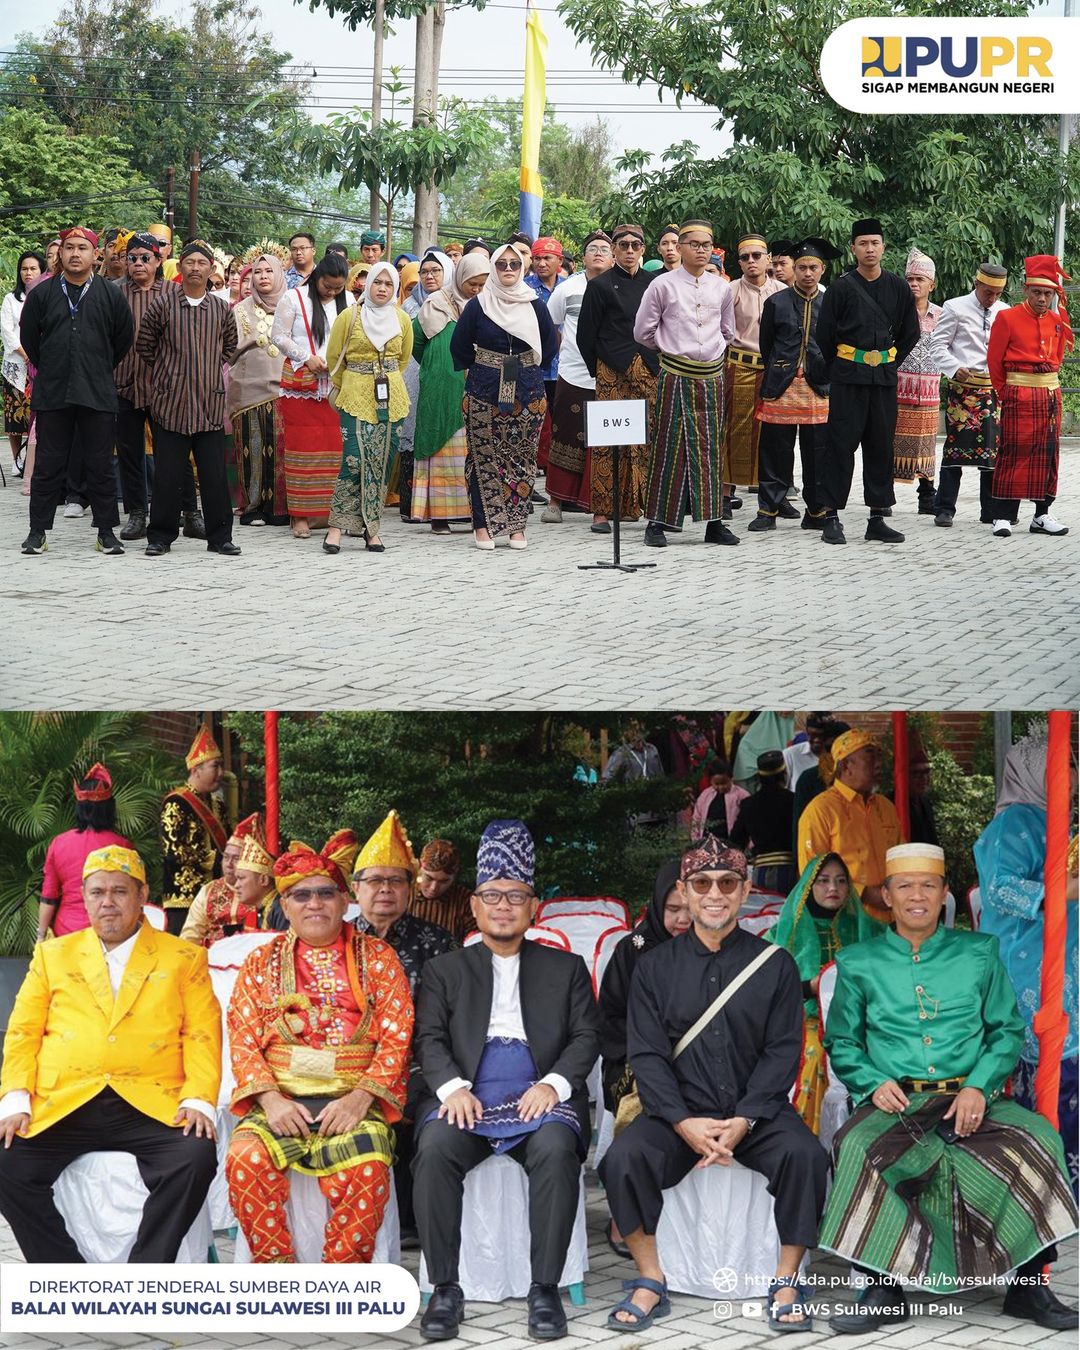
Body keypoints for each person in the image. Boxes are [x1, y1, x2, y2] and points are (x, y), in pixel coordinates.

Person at [822, 844, 1078, 1334]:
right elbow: (842, 1041)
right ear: (888, 897)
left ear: (944, 894)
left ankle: (1028, 1287)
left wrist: (980, 1087)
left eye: (928, 886)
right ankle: (882, 1288)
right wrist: (873, 1083)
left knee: (1038, 1139)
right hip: (898, 1101)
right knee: (856, 1146)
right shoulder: (859, 961)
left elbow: (1005, 1030)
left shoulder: (978, 952)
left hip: (971, 1097)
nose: (917, 896)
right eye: (904, 886)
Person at [599, 835, 829, 1332]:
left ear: (745, 891)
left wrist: (746, 1118)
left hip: (755, 1111)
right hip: (678, 1112)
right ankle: (650, 1278)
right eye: (701, 883)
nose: (714, 893)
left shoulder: (775, 965)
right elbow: (647, 1053)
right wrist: (683, 1122)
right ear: (685, 889)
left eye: (727, 882)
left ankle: (786, 1279)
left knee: (806, 1156)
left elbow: (782, 1051)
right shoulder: (654, 967)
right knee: (622, 1159)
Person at [412, 819, 600, 1342]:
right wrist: (452, 1088)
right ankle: (447, 1289)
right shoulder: (446, 969)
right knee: (434, 1149)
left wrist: (555, 1084)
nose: (503, 905)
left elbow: (587, 1036)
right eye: (492, 894)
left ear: (532, 906)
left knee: (558, 1148)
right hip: (468, 1091)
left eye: (515, 895)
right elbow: (428, 1040)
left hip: (539, 1091)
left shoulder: (566, 967)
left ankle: (545, 1289)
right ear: (474, 905)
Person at [0, 845, 221, 1263]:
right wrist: (15, 1098)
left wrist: (197, 1099)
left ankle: (143, 1275)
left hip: (150, 1100)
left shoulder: (184, 958)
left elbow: (201, 1033)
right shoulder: (52, 955)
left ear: (142, 896)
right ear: (83, 899)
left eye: (119, 891)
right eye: (97, 892)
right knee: (6, 1162)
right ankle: (64, 1275)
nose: (107, 903)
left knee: (194, 1157)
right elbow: (24, 1031)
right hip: (66, 1100)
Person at [224, 834, 414, 1263]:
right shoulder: (260, 962)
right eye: (300, 895)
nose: (314, 904)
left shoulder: (379, 957)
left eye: (325, 893)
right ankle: (279, 1278)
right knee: (245, 1158)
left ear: (344, 899)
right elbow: (242, 1036)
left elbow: (398, 1035)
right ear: (284, 904)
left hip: (352, 1100)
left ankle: (340, 1283)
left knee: (367, 1166)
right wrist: (270, 1100)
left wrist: (360, 1098)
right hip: (280, 1102)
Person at [973, 729, 1078, 1194]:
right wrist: (1066, 891)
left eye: (1072, 763)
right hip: (1025, 965)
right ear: (1038, 771)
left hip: (1065, 960)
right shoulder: (1013, 822)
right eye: (1065, 763)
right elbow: (1000, 888)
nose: (1073, 773)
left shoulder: (1061, 822)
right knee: (1039, 1065)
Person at [350, 810, 457, 1249]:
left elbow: (448, 1021)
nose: (385, 891)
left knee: (413, 1108)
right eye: (375, 881)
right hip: (351, 1063)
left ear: (411, 890)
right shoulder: (339, 942)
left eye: (396, 881)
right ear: (356, 889)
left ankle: (408, 1221)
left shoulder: (438, 943)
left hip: (418, 1063)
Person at [18, 226, 133, 557]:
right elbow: (29, 338)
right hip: (54, 390)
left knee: (99, 464)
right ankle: (37, 532)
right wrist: (54, 364)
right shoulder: (43, 293)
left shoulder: (111, 295)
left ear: (95, 255)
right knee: (48, 464)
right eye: (69, 247)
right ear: (62, 253)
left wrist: (97, 364)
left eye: (82, 247)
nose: (75, 253)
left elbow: (122, 338)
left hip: (96, 390)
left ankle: (106, 532)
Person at [814, 218, 921, 544]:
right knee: (839, 446)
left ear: (883, 247)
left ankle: (877, 516)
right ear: (854, 248)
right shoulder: (841, 288)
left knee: (880, 447)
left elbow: (910, 333)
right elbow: (824, 335)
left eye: (875, 243)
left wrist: (887, 362)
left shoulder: (898, 287)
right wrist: (846, 365)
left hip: (883, 380)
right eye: (863, 243)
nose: (869, 249)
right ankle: (831, 516)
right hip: (848, 379)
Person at [634, 219, 739, 548]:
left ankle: (714, 523)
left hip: (711, 377)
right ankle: (657, 523)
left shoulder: (722, 287)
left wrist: (710, 353)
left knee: (710, 448)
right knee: (669, 446)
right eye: (694, 244)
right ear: (678, 248)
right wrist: (673, 351)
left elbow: (728, 332)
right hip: (675, 375)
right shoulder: (662, 285)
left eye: (707, 245)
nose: (702, 250)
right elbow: (643, 333)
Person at [134, 239, 240, 558]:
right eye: (189, 263)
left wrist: (205, 370)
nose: (195, 268)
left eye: (201, 263)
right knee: (167, 475)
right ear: (179, 268)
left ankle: (220, 537)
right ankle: (161, 537)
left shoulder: (221, 309)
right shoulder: (163, 304)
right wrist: (169, 373)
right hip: (170, 404)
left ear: (211, 270)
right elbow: (144, 345)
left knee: (214, 476)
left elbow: (231, 348)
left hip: (209, 404)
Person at [449, 243, 557, 552]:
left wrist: (527, 371)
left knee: (521, 458)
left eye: (514, 264)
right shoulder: (479, 304)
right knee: (484, 457)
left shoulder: (534, 304)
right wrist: (483, 369)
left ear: (522, 269)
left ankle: (516, 526)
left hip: (527, 390)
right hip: (484, 389)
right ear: (493, 268)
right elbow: (459, 346)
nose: (508, 269)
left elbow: (549, 346)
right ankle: (483, 525)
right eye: (501, 265)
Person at [765, 853, 876, 1133]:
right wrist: (809, 988)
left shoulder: (868, 929)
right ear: (808, 887)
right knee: (818, 1055)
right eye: (824, 881)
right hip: (806, 1021)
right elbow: (763, 986)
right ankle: (807, 1138)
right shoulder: (783, 933)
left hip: (863, 1022)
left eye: (841, 881)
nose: (833, 889)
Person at [322, 260, 412, 555]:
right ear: (367, 284)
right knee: (354, 459)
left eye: (388, 284)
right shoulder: (349, 316)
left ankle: (371, 529)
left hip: (392, 397)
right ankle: (336, 527)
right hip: (354, 394)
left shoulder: (402, 319)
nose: (383, 288)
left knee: (382, 462)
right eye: (377, 282)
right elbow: (335, 357)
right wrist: (351, 383)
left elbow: (403, 359)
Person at [574, 224, 659, 531]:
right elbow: (586, 336)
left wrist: (654, 361)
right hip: (611, 369)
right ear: (614, 249)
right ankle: (602, 511)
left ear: (643, 249)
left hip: (649, 368)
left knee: (647, 438)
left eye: (636, 245)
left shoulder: (655, 284)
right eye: (623, 245)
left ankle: (647, 507)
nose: (629, 250)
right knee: (608, 439)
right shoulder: (600, 286)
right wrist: (599, 370)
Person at [752, 238, 837, 531]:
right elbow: (767, 345)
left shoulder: (831, 304)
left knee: (818, 451)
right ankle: (768, 510)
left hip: (819, 385)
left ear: (822, 270)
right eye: (802, 267)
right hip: (781, 386)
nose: (807, 273)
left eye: (813, 267)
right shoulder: (776, 302)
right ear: (794, 270)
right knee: (775, 451)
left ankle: (816, 511)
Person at [986, 254, 1072, 537]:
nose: (1042, 299)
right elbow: (994, 361)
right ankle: (1002, 516)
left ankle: (1042, 514)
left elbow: (1057, 358)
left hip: (1049, 394)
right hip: (1017, 392)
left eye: (1048, 293)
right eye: (1036, 292)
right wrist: (1006, 392)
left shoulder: (1058, 321)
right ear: (1025, 290)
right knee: (1013, 451)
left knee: (1048, 455)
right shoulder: (1007, 317)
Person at [272, 252, 353, 537]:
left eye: (338, 288)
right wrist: (306, 357)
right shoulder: (293, 298)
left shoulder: (350, 302)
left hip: (337, 387)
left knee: (337, 451)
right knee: (301, 451)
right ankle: (301, 515)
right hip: (301, 387)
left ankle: (335, 515)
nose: (332, 292)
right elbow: (278, 336)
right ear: (317, 277)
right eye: (328, 286)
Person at [410, 252, 489, 533]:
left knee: (471, 448)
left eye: (482, 284)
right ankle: (439, 516)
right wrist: (437, 366)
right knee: (442, 448)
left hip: (478, 384)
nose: (477, 290)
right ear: (459, 278)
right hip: (441, 386)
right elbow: (415, 341)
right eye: (472, 284)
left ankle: (471, 512)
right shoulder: (435, 303)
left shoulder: (488, 304)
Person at [928, 262, 1009, 526]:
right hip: (963, 388)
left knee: (992, 449)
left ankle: (991, 510)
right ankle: (944, 508)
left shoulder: (1005, 311)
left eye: (997, 293)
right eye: (988, 292)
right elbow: (937, 344)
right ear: (977, 284)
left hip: (994, 388)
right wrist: (953, 367)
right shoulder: (955, 306)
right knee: (955, 447)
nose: (992, 298)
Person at [542, 231, 614, 523]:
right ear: (582, 257)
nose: (598, 253)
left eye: (604, 249)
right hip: (572, 373)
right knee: (565, 436)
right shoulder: (567, 288)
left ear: (613, 256)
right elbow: (551, 325)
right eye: (592, 249)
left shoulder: (620, 286)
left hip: (610, 375)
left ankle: (601, 508)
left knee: (605, 442)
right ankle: (555, 502)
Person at [796, 728, 903, 921]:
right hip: (846, 922)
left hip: (892, 920)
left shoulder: (886, 807)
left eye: (880, 758)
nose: (879, 765)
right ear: (846, 766)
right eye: (871, 759)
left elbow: (902, 857)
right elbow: (811, 875)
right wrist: (866, 894)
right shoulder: (820, 810)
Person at [723, 231, 787, 510]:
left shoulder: (782, 292)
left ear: (768, 258)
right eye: (745, 257)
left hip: (774, 370)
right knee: (733, 431)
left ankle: (776, 496)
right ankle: (724, 495)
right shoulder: (731, 291)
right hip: (738, 367)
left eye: (757, 256)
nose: (752, 261)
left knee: (775, 434)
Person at [37, 764, 133, 942]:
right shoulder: (122, 846)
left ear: (79, 808)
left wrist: (40, 936)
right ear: (109, 809)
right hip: (107, 932)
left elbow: (48, 897)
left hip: (65, 932)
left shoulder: (58, 843)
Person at [228, 252, 288, 526]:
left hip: (284, 389)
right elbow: (227, 350)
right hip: (247, 390)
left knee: (280, 449)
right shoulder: (240, 310)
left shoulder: (292, 307)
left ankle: (278, 508)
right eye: (258, 272)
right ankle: (251, 508)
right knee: (252, 449)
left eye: (269, 271)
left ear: (279, 275)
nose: (263, 276)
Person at [113, 232, 167, 541]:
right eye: (131, 258)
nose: (137, 263)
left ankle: (180, 510)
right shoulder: (114, 293)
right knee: (129, 453)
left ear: (158, 261)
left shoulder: (172, 293)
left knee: (170, 453)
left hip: (163, 388)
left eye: (145, 258)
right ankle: (136, 513)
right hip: (123, 384)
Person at [160, 724, 229, 937]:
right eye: (215, 766)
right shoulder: (177, 803)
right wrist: (213, 859)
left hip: (215, 896)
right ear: (195, 769)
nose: (221, 773)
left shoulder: (217, 804)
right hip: (185, 897)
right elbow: (173, 851)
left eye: (221, 766)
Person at [893, 248, 943, 514]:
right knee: (890, 439)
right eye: (910, 279)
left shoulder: (942, 315)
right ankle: (883, 496)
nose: (913, 284)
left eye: (919, 279)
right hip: (898, 388)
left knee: (927, 443)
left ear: (931, 285)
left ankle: (927, 495)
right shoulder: (896, 312)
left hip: (930, 390)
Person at [179, 812, 267, 946]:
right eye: (226, 857)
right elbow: (190, 936)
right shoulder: (209, 891)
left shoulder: (260, 893)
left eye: (236, 858)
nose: (228, 864)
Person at [2, 250, 44, 476]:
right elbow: (7, 331)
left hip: (41, 365)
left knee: (35, 417)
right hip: (17, 366)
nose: (28, 273)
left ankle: (32, 459)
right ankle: (18, 460)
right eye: (24, 269)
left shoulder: (47, 296)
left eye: (33, 269)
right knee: (15, 418)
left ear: (42, 270)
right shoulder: (11, 298)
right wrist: (27, 354)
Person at [730, 751, 796, 893]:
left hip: (760, 872)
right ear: (784, 774)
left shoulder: (748, 804)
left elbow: (736, 841)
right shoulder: (794, 800)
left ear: (759, 777)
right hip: (790, 870)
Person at [410, 840, 475, 942]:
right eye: (429, 878)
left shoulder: (466, 901)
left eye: (444, 881)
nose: (433, 888)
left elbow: (475, 942)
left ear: (454, 877)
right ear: (418, 868)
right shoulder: (402, 892)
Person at [690, 760, 749, 838]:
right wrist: (696, 839)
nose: (721, 787)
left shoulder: (742, 795)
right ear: (711, 781)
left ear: (731, 778)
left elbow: (750, 820)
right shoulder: (705, 795)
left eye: (724, 783)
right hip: (707, 842)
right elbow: (697, 818)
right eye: (717, 784)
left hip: (732, 843)